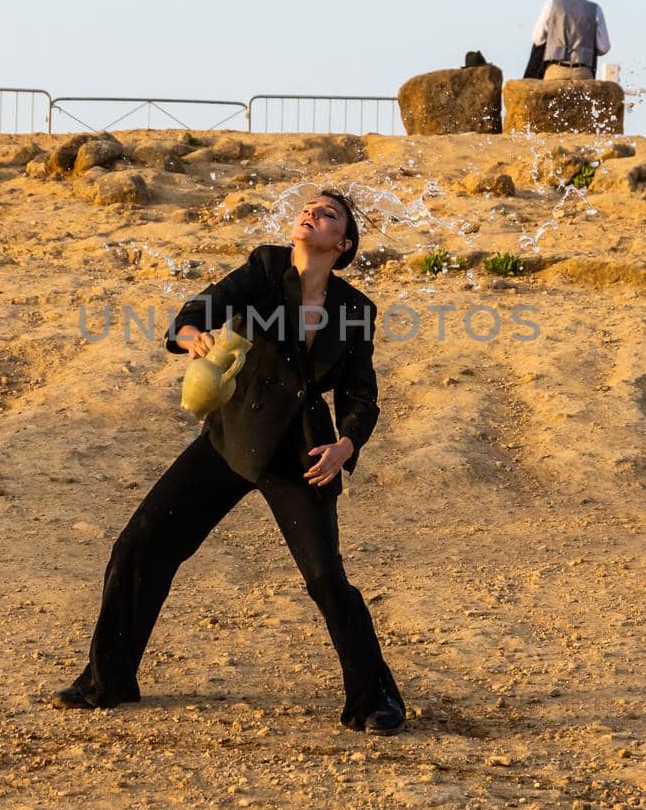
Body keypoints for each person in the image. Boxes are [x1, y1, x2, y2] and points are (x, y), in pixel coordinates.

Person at [50, 190, 407, 735]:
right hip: (231, 436)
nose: (312, 215)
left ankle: (375, 701)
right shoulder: (265, 268)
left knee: (326, 579)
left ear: (344, 243)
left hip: (304, 454)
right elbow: (202, 306)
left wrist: (346, 446)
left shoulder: (355, 309)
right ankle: (108, 679)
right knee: (141, 545)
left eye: (329, 214)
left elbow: (362, 396)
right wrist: (191, 335)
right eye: (308, 208)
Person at [524, 0, 612, 81]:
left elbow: (537, 39)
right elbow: (604, 47)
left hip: (556, 70)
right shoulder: (595, 9)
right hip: (583, 73)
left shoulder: (552, 3)